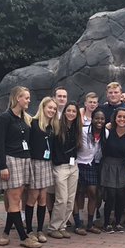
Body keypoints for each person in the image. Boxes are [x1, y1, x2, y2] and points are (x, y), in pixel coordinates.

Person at [0, 86, 41, 248]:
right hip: (11, 160)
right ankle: (23, 237)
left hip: (24, 160)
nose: (29, 101)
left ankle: (6, 232)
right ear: (17, 98)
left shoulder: (24, 119)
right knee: (14, 200)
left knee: (17, 198)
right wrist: (3, 166)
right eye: (26, 98)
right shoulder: (4, 118)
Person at [24, 97, 59, 243]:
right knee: (32, 197)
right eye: (49, 107)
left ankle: (40, 230)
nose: (51, 110)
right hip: (34, 163)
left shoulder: (52, 127)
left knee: (43, 198)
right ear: (43, 107)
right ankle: (29, 230)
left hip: (46, 164)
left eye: (54, 109)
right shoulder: (33, 123)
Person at [99, 108, 125, 233]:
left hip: (122, 167)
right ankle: (106, 223)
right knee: (110, 195)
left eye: (124, 117)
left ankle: (118, 222)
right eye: (119, 117)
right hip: (108, 165)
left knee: (121, 195)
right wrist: (106, 127)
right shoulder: (108, 131)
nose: (122, 119)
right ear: (115, 118)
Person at [47, 102, 81, 239]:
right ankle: (53, 227)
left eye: (74, 111)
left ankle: (62, 226)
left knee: (70, 200)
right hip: (60, 167)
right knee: (61, 198)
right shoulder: (57, 127)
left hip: (73, 166)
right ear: (65, 111)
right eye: (69, 110)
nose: (71, 113)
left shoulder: (76, 128)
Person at [74, 109, 107, 234]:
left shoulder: (106, 133)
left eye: (102, 119)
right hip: (78, 163)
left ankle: (90, 223)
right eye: (97, 118)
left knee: (93, 192)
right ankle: (78, 223)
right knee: (77, 193)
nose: (99, 121)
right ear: (92, 119)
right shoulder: (82, 131)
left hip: (91, 164)